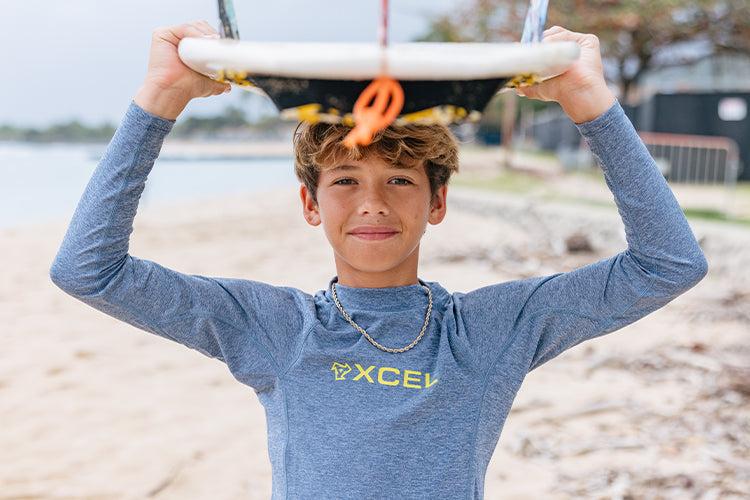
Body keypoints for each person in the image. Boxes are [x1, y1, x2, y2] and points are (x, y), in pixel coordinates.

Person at [50, 20, 707, 499]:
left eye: (398, 180)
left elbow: (668, 264)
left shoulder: (487, 330)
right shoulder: (272, 326)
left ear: (437, 202)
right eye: (344, 181)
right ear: (310, 204)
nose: (371, 204)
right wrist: (159, 100)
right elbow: (89, 270)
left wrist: (590, 104)